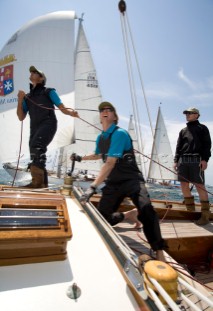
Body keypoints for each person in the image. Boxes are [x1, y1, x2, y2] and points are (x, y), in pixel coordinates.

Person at [71, 101, 166, 261]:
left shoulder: (120, 133)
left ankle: (159, 250)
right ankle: (127, 215)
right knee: (102, 219)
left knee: (147, 209)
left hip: (131, 179)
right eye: (102, 110)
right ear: (100, 117)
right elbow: (98, 154)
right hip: (114, 182)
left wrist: (93, 187)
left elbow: (110, 162)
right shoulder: (100, 138)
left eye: (109, 109)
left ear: (115, 117)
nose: (105, 111)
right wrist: (81, 158)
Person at [17, 66, 78, 188]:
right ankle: (42, 184)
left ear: (41, 78)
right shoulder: (27, 97)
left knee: (37, 146)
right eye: (31, 72)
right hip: (34, 128)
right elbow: (21, 117)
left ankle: (37, 182)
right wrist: (20, 100)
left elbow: (61, 107)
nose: (32, 73)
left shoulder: (49, 91)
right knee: (34, 152)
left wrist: (71, 113)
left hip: (48, 124)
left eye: (35, 72)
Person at [174, 107, 212, 225]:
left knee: (199, 186)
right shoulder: (183, 130)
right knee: (184, 185)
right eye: (186, 113)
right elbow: (178, 146)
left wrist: (205, 159)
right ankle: (190, 211)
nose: (187, 115)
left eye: (190, 113)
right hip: (183, 161)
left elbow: (207, 145)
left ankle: (205, 215)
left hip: (197, 160)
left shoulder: (203, 128)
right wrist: (176, 160)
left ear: (197, 115)